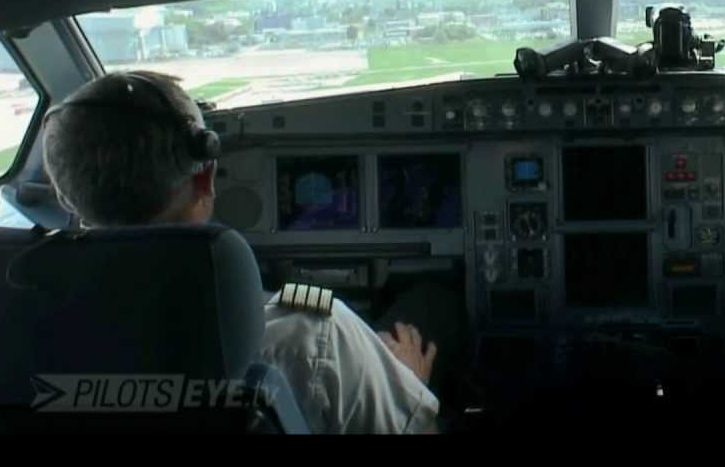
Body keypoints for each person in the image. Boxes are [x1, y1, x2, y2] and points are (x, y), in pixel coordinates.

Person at [41, 70, 444, 434]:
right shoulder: (312, 333)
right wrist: (405, 381)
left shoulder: (21, 330)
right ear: (206, 178)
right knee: (428, 303)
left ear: (67, 198)